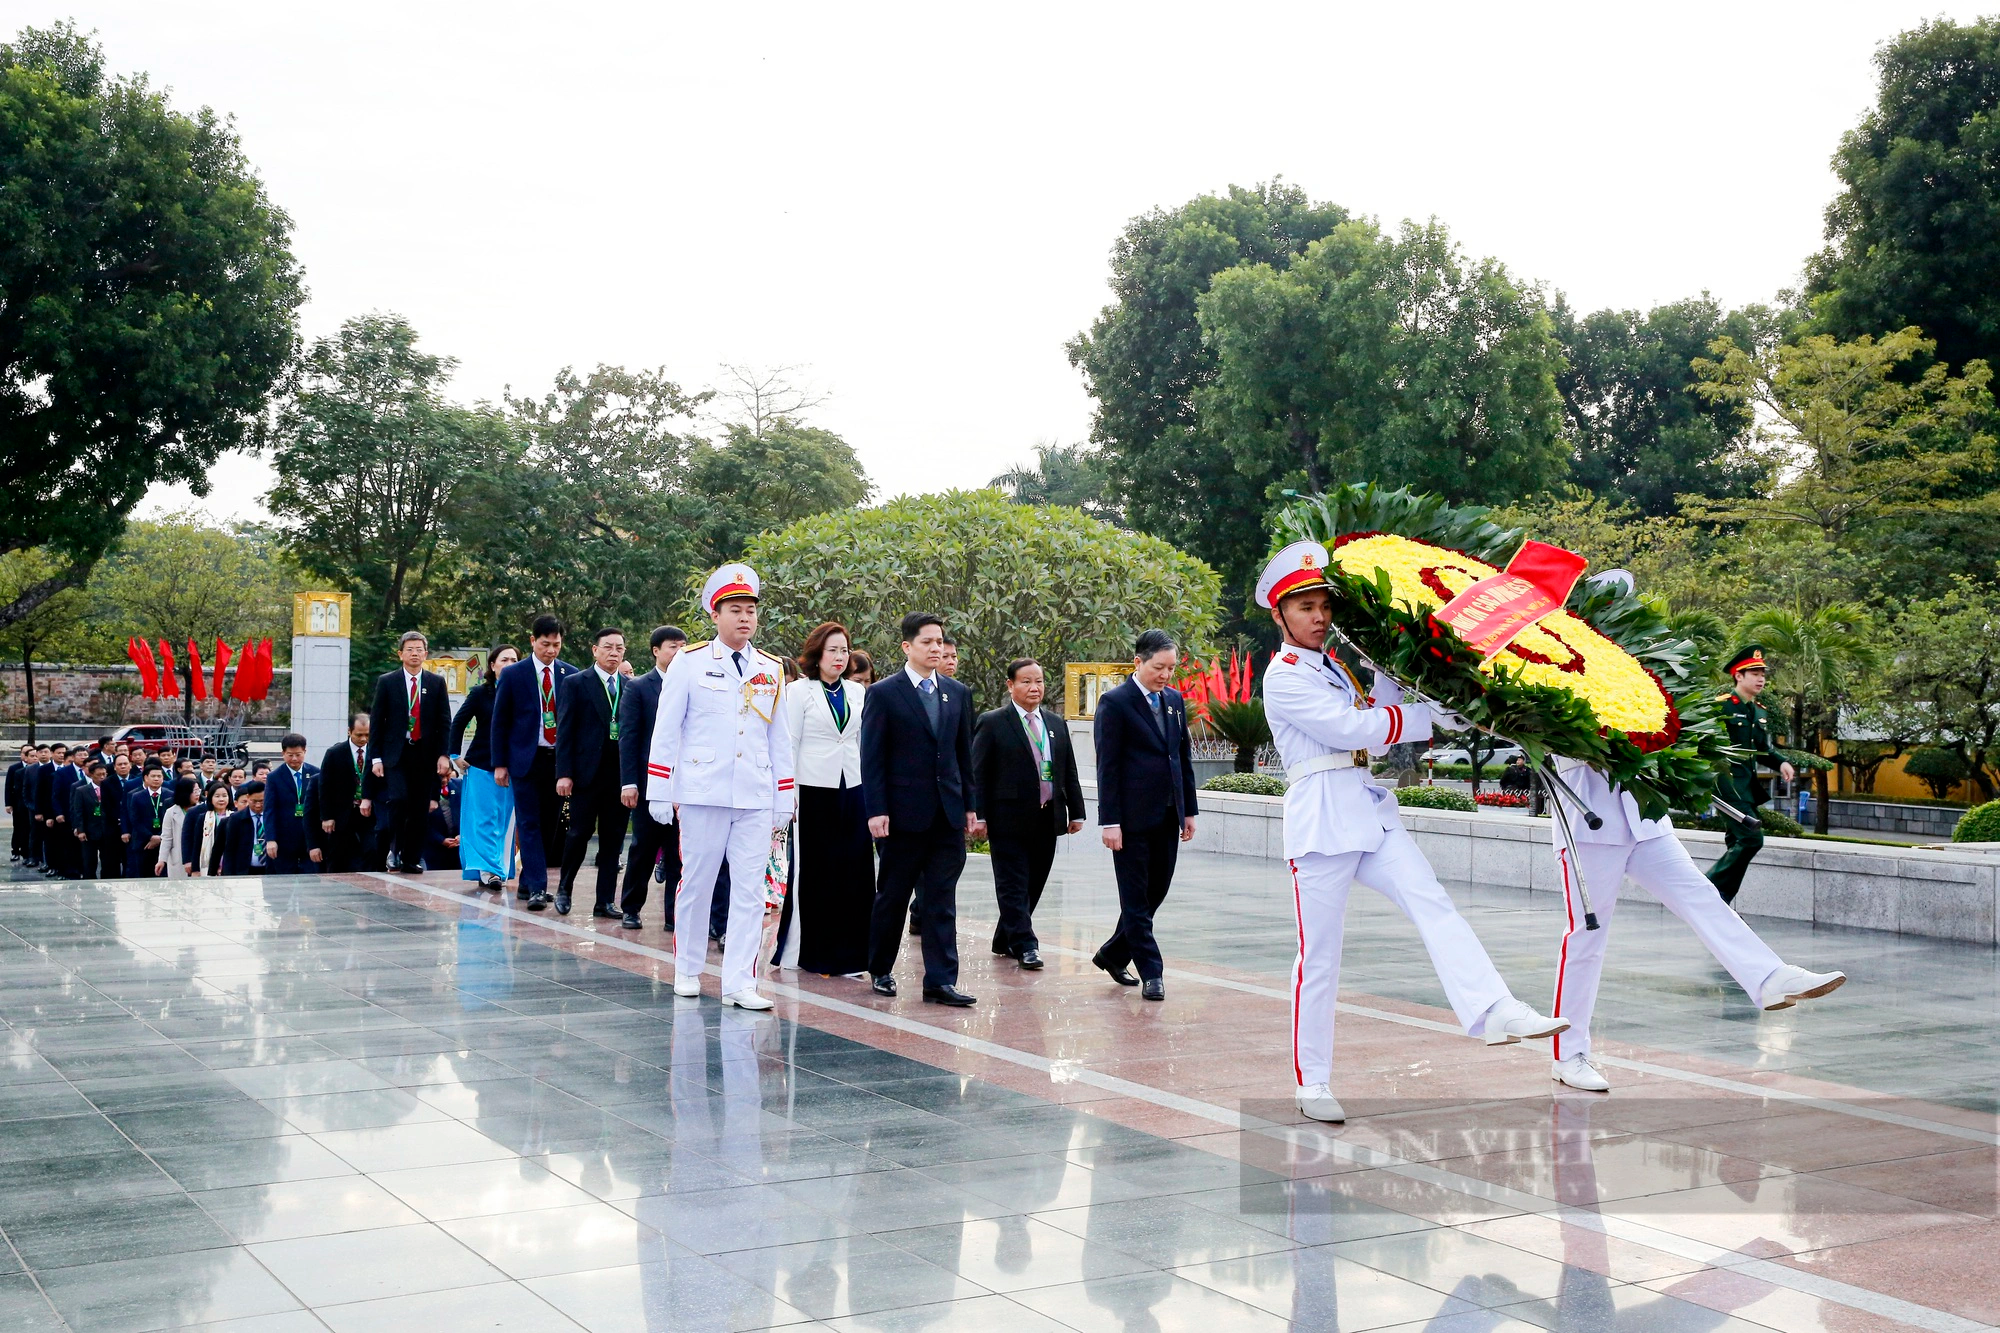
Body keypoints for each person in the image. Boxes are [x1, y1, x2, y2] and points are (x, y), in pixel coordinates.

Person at [1256, 540, 1567, 1124]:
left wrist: (1425, 680)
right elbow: (1355, 728)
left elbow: (1383, 704)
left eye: (1324, 605)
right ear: (1279, 616)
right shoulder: (1284, 676)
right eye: (1305, 607)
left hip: (1368, 813)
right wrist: (1416, 715)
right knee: (1319, 959)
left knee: (1434, 903)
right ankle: (1313, 1081)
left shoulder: (1335, 665)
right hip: (1321, 823)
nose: (1320, 617)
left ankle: (1494, 1007)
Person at [1547, 754, 1846, 1092]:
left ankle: (1768, 977)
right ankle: (1568, 1054)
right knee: (1587, 937)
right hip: (1589, 821)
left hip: (1646, 819)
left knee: (1702, 895)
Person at [646, 563, 795, 1010]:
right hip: (701, 791)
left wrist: (783, 796)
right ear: (715, 614)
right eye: (735, 609)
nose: (745, 618)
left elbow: (778, 737)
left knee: (750, 890)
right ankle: (688, 969)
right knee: (697, 883)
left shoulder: (769, 668)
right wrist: (659, 788)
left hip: (753, 792)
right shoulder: (689, 663)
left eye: (750, 610)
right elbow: (667, 728)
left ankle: (739, 983)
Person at [861, 611, 979, 1007]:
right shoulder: (884, 693)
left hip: (946, 814)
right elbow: (872, 758)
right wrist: (876, 810)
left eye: (940, 641)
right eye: (927, 642)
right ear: (907, 646)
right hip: (901, 815)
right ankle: (880, 968)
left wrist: (970, 808)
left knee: (941, 899)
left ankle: (941, 981)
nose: (936, 648)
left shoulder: (957, 692)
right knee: (892, 896)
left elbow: (964, 756)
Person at [1090, 630, 1198, 1002]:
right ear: (1138, 662)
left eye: (1171, 668)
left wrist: (1189, 811)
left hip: (1168, 814)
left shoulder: (1173, 700)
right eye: (1158, 667)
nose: (1166, 675)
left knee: (1156, 891)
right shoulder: (1115, 703)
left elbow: (1180, 757)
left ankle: (1112, 953)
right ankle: (1152, 972)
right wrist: (1110, 821)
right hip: (1131, 820)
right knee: (1135, 898)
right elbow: (1108, 766)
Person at [973, 657, 1086, 971]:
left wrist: (1076, 811)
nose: (1034, 687)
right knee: (1012, 883)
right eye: (1026, 681)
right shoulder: (993, 722)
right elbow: (978, 773)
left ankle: (1003, 938)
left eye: (1039, 681)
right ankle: (1026, 945)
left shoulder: (1055, 723)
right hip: (1007, 818)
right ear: (1010, 685)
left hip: (1047, 817)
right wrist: (979, 815)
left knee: (1034, 883)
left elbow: (1068, 771)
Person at [773, 622, 872, 976]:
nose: (839, 657)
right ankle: (808, 953)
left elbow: (862, 743)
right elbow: (789, 744)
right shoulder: (799, 691)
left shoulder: (858, 693)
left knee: (855, 871)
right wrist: (787, 792)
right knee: (817, 872)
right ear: (817, 654)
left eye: (844, 650)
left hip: (854, 787)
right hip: (812, 790)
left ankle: (851, 955)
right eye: (832, 650)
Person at [492, 615, 579, 909]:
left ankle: (529, 882)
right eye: (545, 644)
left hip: (559, 762)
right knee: (528, 822)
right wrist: (500, 763)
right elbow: (500, 722)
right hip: (525, 760)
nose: (551, 650)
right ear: (532, 641)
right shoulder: (514, 674)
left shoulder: (570, 675)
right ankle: (540, 888)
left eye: (556, 644)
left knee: (549, 826)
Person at [1705, 645, 1796, 905]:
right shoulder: (1721, 707)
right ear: (1738, 676)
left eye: (1763, 673)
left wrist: (1782, 763)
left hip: (1745, 787)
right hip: (1725, 786)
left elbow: (1762, 749)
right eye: (1754, 673)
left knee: (1737, 842)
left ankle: (1721, 903)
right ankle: (1708, 891)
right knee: (1751, 838)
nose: (1761, 678)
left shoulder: (1759, 711)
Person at [555, 627, 632, 917]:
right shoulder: (577, 683)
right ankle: (564, 888)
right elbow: (565, 731)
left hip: (620, 776)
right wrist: (564, 773)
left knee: (614, 839)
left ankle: (605, 901)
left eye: (620, 648)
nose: (614, 653)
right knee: (579, 834)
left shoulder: (629, 686)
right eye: (608, 647)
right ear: (595, 650)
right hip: (586, 774)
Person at [617, 626, 686, 929]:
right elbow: (629, 738)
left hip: (684, 784)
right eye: (673, 647)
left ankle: (675, 915)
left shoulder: (692, 684)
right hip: (649, 784)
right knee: (643, 848)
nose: (679, 652)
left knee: (678, 853)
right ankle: (631, 907)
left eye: (683, 647)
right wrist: (629, 782)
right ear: (656, 651)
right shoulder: (639, 687)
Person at [368, 631, 452, 873]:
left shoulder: (436, 683)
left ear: (426, 653)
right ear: (400, 654)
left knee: (419, 808)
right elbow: (377, 722)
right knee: (398, 799)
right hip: (396, 753)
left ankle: (411, 858)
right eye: (409, 649)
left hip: (425, 755)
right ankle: (394, 850)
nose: (414, 653)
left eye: (419, 649)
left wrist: (443, 754)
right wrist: (376, 757)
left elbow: (443, 722)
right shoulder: (387, 681)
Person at [452, 646, 518, 890]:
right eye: (504, 659)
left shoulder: (524, 692)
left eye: (514, 659)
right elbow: (458, 722)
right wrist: (454, 756)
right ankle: (488, 870)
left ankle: (500, 868)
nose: (509, 663)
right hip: (481, 764)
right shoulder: (481, 693)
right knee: (483, 819)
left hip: (513, 767)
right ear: (492, 665)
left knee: (505, 820)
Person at [318, 714, 374, 873]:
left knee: (371, 849)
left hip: (369, 812)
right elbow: (325, 787)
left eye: (367, 735)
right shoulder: (335, 753)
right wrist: (327, 816)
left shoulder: (376, 751)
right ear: (349, 731)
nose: (363, 739)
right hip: (342, 812)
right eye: (359, 734)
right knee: (338, 853)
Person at [264, 733, 322, 875]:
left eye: (298, 754)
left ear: (305, 752)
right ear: (283, 753)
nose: (294, 759)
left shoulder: (316, 773)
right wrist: (271, 839)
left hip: (310, 837)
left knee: (312, 880)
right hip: (284, 838)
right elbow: (269, 810)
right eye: (290, 755)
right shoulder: (274, 777)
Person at [68, 759, 118, 879]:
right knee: (89, 859)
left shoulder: (111, 789)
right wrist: (80, 830)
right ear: (91, 774)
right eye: (98, 775)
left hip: (107, 830)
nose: (102, 777)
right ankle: (89, 879)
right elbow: (78, 811)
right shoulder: (82, 790)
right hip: (89, 829)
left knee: (108, 859)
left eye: (104, 774)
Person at [122, 763, 171, 878]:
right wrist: (150, 837)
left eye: (159, 776)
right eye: (153, 776)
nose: (156, 779)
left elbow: (169, 821)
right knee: (144, 875)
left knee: (164, 875)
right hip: (143, 842)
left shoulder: (170, 795)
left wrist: (159, 837)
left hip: (164, 841)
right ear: (145, 778)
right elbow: (135, 820)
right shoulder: (136, 796)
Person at [220, 780, 269, 876]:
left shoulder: (274, 816)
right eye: (254, 801)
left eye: (262, 801)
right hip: (245, 870)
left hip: (270, 870)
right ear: (248, 797)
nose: (258, 805)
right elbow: (230, 849)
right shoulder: (236, 819)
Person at [185, 783, 233, 877]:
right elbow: (197, 845)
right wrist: (195, 869)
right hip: (208, 864)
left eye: (224, 796)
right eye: (217, 796)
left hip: (229, 864)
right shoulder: (203, 818)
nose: (221, 799)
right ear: (210, 798)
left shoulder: (234, 817)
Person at [158, 778, 198, 879]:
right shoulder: (171, 812)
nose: (197, 794)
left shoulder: (202, 810)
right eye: (194, 791)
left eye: (199, 791)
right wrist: (162, 860)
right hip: (178, 858)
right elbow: (166, 838)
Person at [426, 771, 463, 870]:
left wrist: (462, 835)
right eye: (441, 777)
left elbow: (469, 812)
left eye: (447, 775)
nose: (445, 780)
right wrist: (441, 840)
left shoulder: (459, 786)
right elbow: (421, 823)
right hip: (434, 850)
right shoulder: (424, 790)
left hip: (458, 847)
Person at [5, 744, 29, 864]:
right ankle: (15, 851)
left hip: (30, 804)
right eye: (24, 752)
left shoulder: (37, 768)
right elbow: (8, 786)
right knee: (18, 827)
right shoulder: (14, 768)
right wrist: (8, 803)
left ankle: (27, 852)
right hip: (18, 803)